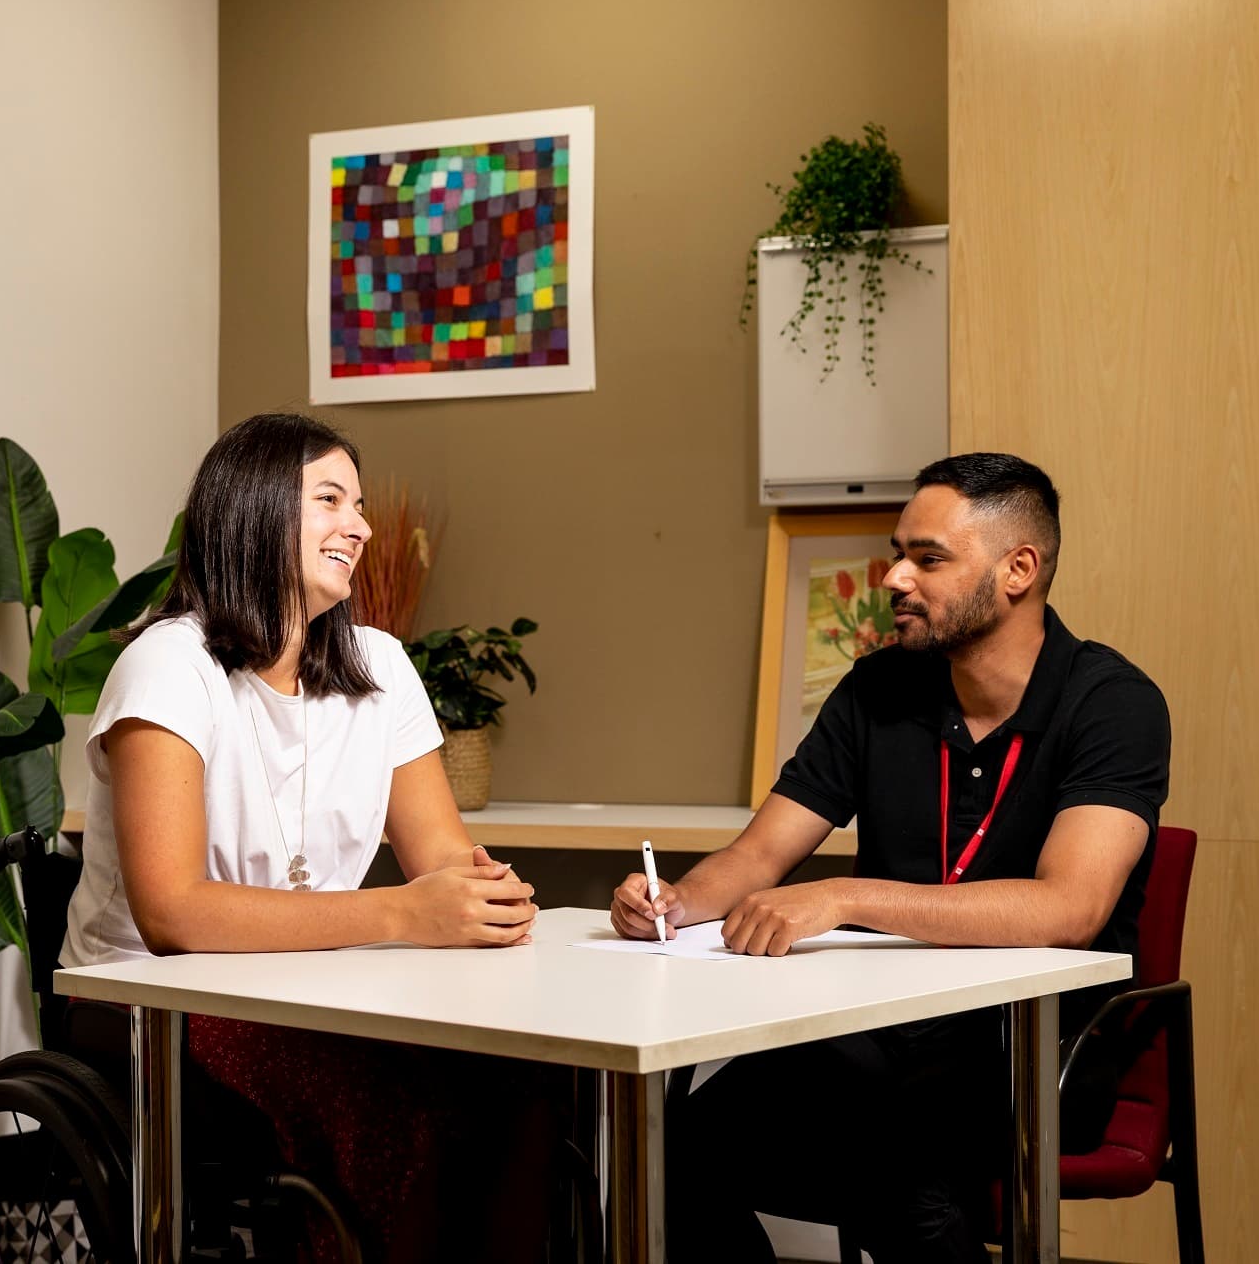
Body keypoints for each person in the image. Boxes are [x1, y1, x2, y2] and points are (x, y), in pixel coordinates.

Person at [610, 453, 1170, 1263]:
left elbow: (1069, 908)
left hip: (1033, 1047)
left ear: (1020, 569)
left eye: (928, 558)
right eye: (899, 551)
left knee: (900, 1164)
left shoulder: (1113, 702)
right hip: (879, 1031)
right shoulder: (878, 689)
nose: (895, 577)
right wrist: (673, 900)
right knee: (673, 1145)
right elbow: (762, 852)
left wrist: (841, 896)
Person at [60, 410, 558, 1264]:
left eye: (359, 504)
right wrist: (405, 914)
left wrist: (479, 891)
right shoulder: (168, 666)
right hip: (151, 1003)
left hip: (320, 989)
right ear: (253, 510)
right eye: (330, 498)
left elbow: (438, 854)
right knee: (392, 1099)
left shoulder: (380, 668)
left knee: (521, 1080)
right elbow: (174, 913)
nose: (359, 526)